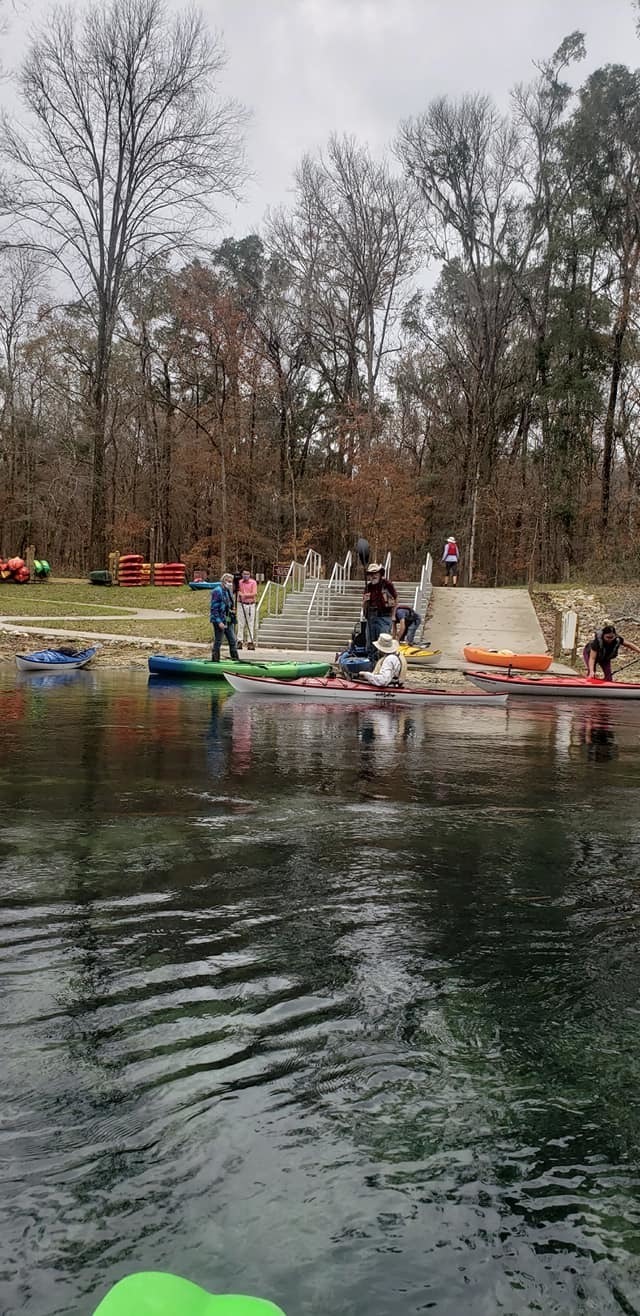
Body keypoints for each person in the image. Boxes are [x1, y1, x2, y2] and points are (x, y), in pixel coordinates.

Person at [363, 563, 397, 657]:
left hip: (384, 616)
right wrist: (365, 604)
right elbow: (364, 602)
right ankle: (371, 661)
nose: (373, 576)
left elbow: (395, 598)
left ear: (379, 573)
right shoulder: (368, 587)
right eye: (371, 574)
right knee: (370, 641)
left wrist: (393, 615)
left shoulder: (387, 585)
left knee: (383, 641)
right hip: (371, 616)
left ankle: (382, 661)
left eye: (375, 573)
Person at [210, 572, 239, 662]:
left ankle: (235, 659)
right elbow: (214, 609)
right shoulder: (217, 591)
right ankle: (215, 659)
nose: (230, 583)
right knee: (218, 641)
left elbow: (228, 605)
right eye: (228, 581)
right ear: (223, 581)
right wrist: (219, 622)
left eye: (231, 581)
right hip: (219, 619)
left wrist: (232, 610)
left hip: (228, 619)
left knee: (233, 640)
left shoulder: (228, 591)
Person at [236, 568, 258, 650]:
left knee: (250, 623)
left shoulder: (253, 582)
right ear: (242, 574)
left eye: (247, 574)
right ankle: (239, 641)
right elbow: (236, 591)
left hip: (250, 604)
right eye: (244, 574)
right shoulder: (239, 582)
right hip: (241, 604)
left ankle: (250, 642)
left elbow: (254, 593)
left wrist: (244, 595)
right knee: (241, 623)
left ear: (250, 575)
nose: (246, 576)